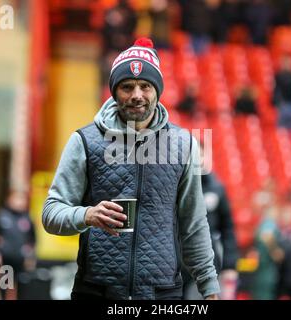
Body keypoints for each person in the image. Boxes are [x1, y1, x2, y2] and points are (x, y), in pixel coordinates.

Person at [42, 38, 220, 300]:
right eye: (127, 87)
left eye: (145, 86)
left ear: (157, 91)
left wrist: (210, 288)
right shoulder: (83, 141)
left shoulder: (184, 146)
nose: (137, 95)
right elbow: (51, 213)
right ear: (114, 92)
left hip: (162, 294)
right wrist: (87, 215)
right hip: (96, 290)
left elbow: (193, 224)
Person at [182, 140, 239, 300]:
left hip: (205, 264)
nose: (197, 160)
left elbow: (228, 229)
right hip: (175, 267)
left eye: (200, 155)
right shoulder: (173, 187)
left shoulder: (216, 188)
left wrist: (230, 265)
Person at [0, 190, 36, 300]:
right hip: (6, 261)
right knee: (5, 289)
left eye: (22, 199)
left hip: (22, 262)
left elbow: (33, 240)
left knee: (22, 291)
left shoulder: (28, 218)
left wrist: (31, 257)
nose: (19, 202)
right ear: (9, 199)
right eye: (16, 199)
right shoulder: (1, 216)